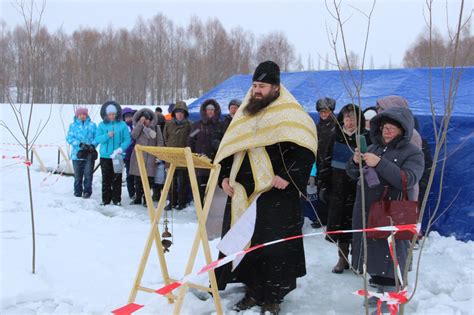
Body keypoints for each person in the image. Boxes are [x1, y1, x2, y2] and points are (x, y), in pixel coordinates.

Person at [214, 61, 317, 314]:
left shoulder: (291, 114)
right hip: (242, 193)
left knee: (274, 248)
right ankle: (252, 291)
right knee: (248, 243)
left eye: (262, 86)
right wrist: (224, 177)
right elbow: (231, 148)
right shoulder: (245, 114)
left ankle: (273, 297)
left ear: (276, 87)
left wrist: (288, 177)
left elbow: (305, 151)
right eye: (254, 85)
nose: (257, 91)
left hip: (275, 194)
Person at [347, 106, 424, 313]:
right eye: (384, 127)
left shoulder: (413, 152)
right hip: (366, 210)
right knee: (372, 256)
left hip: (392, 212)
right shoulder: (373, 148)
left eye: (392, 128)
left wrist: (380, 164)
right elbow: (354, 174)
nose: (387, 131)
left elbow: (407, 179)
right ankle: (378, 295)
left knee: (391, 258)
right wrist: (354, 163)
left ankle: (390, 301)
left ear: (403, 129)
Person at [326, 104, 369, 274]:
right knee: (341, 225)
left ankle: (359, 260)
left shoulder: (367, 138)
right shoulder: (335, 136)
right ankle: (342, 258)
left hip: (360, 190)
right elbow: (326, 161)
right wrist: (324, 185)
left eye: (353, 118)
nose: (349, 122)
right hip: (338, 190)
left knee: (359, 225)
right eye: (346, 118)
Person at [95, 101, 131, 206]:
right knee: (106, 178)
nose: (111, 116)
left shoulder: (122, 125)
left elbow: (127, 139)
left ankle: (117, 200)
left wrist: (120, 149)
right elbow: (98, 139)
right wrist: (107, 135)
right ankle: (105, 200)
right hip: (105, 156)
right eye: (109, 114)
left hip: (118, 156)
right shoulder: (101, 125)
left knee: (117, 179)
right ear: (106, 114)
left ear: (117, 114)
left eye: (113, 114)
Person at [187, 98, 222, 204]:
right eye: (208, 110)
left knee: (213, 188)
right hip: (200, 161)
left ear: (215, 111)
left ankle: (209, 210)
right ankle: (201, 209)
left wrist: (218, 143)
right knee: (201, 187)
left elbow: (225, 141)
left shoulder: (220, 125)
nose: (210, 112)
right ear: (205, 111)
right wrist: (192, 156)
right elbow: (190, 139)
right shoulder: (198, 125)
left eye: (212, 110)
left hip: (215, 161)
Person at [129, 108, 164, 206]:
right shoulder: (138, 127)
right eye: (144, 119)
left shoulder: (156, 128)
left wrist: (159, 155)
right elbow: (133, 135)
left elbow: (160, 141)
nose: (146, 122)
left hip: (150, 157)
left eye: (147, 119)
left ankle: (146, 198)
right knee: (138, 179)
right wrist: (140, 124)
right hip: (138, 157)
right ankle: (138, 197)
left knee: (148, 180)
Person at [163, 101, 192, 210]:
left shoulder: (190, 125)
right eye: (177, 112)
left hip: (184, 158)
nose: (179, 114)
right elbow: (165, 138)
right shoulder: (168, 124)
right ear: (174, 113)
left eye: (182, 112)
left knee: (183, 181)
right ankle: (171, 202)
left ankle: (182, 202)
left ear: (185, 113)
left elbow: (191, 139)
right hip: (170, 158)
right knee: (171, 181)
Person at [314, 97, 336, 227]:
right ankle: (321, 218)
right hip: (318, 164)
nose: (323, 114)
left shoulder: (337, 128)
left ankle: (332, 219)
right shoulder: (316, 127)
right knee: (320, 191)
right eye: (321, 112)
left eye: (326, 111)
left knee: (333, 193)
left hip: (332, 165)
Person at [66, 107, 97, 199]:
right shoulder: (72, 126)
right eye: (80, 115)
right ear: (77, 115)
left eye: (84, 114)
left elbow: (97, 137)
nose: (82, 116)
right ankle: (77, 191)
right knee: (78, 175)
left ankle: (87, 191)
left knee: (88, 174)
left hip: (89, 153)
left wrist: (93, 145)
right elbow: (69, 138)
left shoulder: (92, 125)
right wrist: (79, 144)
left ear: (86, 115)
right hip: (77, 153)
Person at [122, 107, 137, 199]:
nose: (129, 118)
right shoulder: (123, 127)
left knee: (138, 174)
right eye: (127, 116)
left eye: (130, 116)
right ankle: (131, 192)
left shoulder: (136, 125)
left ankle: (139, 191)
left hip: (137, 153)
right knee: (129, 174)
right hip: (127, 153)